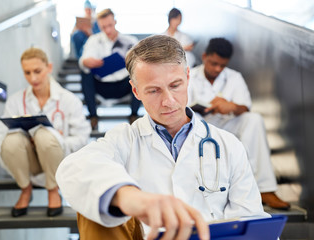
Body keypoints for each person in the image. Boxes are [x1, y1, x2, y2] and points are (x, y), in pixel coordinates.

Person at [56, 35, 269, 240]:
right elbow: (72, 169)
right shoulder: (124, 139)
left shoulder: (228, 145)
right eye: (154, 90)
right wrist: (130, 198)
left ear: (187, 77)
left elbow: (251, 220)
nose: (168, 101)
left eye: (175, 85)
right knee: (100, 205)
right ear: (136, 91)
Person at [187, 37, 290, 210]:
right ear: (204, 56)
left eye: (222, 65)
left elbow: (245, 107)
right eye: (213, 64)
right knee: (194, 121)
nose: (217, 69)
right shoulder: (190, 76)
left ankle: (264, 189)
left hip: (228, 126)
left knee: (254, 120)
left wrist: (231, 106)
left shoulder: (234, 77)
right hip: (200, 127)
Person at [0, 48, 91, 217]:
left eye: (37, 71)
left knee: (45, 136)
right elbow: (1, 141)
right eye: (27, 72)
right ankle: (25, 188)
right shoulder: (15, 100)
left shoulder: (69, 100)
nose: (33, 78)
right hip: (28, 161)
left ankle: (53, 189)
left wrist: (56, 139)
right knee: (11, 140)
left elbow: (82, 139)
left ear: (49, 67)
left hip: (57, 159)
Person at [79, 8, 141, 130]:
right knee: (85, 72)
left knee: (139, 71)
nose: (107, 30)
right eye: (103, 27)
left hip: (124, 85)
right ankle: (93, 116)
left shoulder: (130, 41)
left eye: (110, 25)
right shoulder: (93, 40)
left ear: (115, 22)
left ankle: (134, 114)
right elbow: (84, 60)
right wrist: (86, 62)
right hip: (102, 86)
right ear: (98, 25)